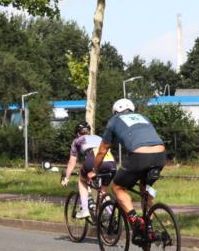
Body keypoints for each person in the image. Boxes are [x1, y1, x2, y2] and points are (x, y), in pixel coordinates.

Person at [89, 99, 166, 243]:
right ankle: (148, 229)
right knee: (145, 189)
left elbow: (102, 151)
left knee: (118, 187)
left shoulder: (114, 121)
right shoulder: (143, 117)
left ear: (115, 111)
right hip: (161, 155)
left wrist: (95, 170)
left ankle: (135, 221)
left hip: (139, 156)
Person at [62, 121, 116, 218]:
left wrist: (67, 178)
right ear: (89, 132)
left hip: (93, 160)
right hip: (111, 162)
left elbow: (72, 162)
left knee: (82, 181)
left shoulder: (77, 140)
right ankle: (112, 216)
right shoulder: (99, 138)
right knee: (103, 191)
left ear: (78, 133)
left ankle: (85, 210)